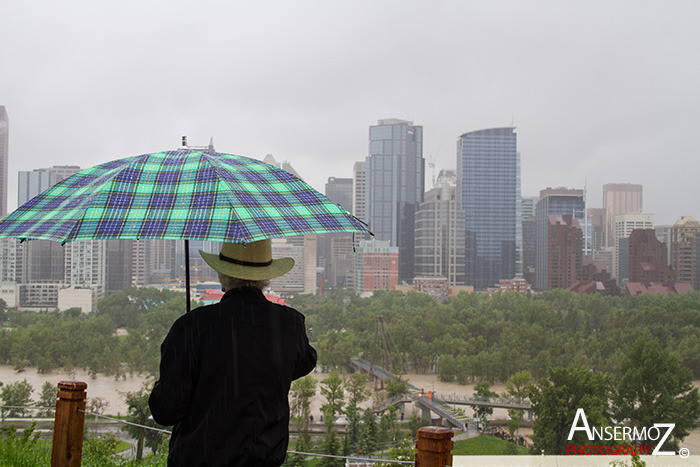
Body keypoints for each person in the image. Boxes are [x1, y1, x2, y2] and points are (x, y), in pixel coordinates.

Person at [149, 239, 317, 466]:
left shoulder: (192, 327)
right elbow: (306, 361)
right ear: (266, 278)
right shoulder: (290, 324)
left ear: (222, 275)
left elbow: (165, 411)